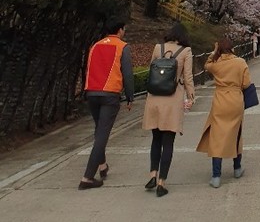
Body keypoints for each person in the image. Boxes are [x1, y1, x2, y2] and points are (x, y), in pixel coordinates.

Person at [78, 16, 134, 190]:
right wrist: (130, 96)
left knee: (99, 130)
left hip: (92, 92)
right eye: (124, 29)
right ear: (120, 30)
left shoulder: (95, 46)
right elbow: (127, 73)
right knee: (102, 135)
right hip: (109, 94)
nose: (124, 32)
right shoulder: (122, 47)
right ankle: (87, 177)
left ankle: (102, 166)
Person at [142, 22, 195, 197]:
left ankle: (152, 174)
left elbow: (151, 70)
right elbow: (187, 77)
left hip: (155, 97)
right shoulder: (186, 52)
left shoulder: (158, 47)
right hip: (173, 98)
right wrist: (191, 96)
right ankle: (161, 183)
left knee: (155, 139)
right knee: (168, 141)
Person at [196, 38, 252, 188]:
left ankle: (216, 176)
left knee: (217, 137)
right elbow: (246, 83)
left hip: (220, 100)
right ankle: (237, 168)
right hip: (236, 100)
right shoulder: (240, 62)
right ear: (232, 48)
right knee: (236, 134)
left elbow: (206, 65)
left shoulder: (216, 64)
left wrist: (213, 52)